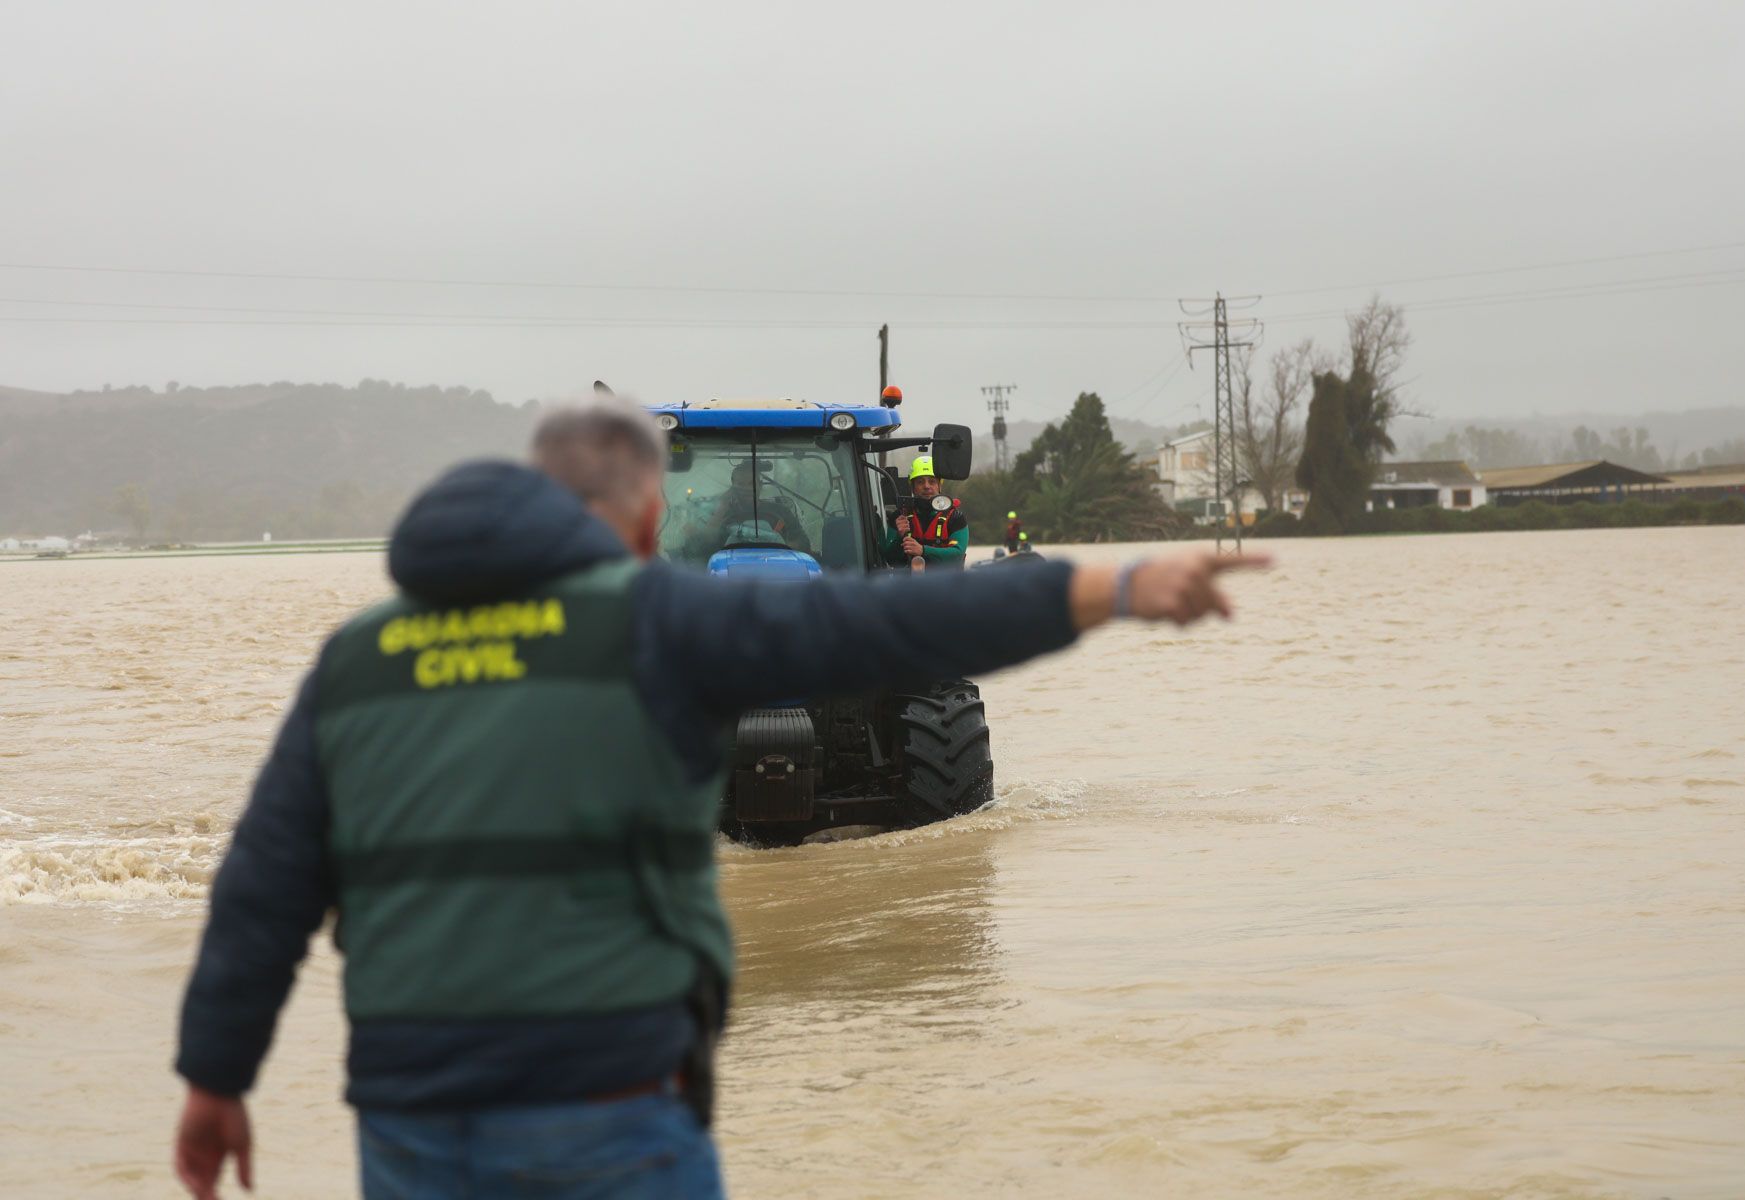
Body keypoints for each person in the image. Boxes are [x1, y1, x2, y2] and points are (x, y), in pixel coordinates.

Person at [172, 397, 1267, 1200]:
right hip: (605, 1108)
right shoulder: (652, 620)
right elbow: (893, 628)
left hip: (408, 1118)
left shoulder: (358, 659)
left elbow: (262, 887)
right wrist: (1114, 585)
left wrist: (215, 1080)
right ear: (650, 519)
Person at [698, 460, 810, 555]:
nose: (747, 489)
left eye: (751, 483)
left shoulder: (782, 511)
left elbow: (803, 544)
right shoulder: (722, 514)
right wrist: (722, 507)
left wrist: (780, 547)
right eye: (741, 484)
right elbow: (704, 546)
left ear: (760, 485)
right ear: (732, 487)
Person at [884, 454, 967, 569]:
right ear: (912, 487)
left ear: (939, 486)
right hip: (909, 584)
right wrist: (899, 537)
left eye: (932, 481)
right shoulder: (899, 517)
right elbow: (890, 560)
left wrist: (922, 550)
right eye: (920, 482)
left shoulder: (955, 517)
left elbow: (957, 555)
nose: (926, 486)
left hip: (946, 584)